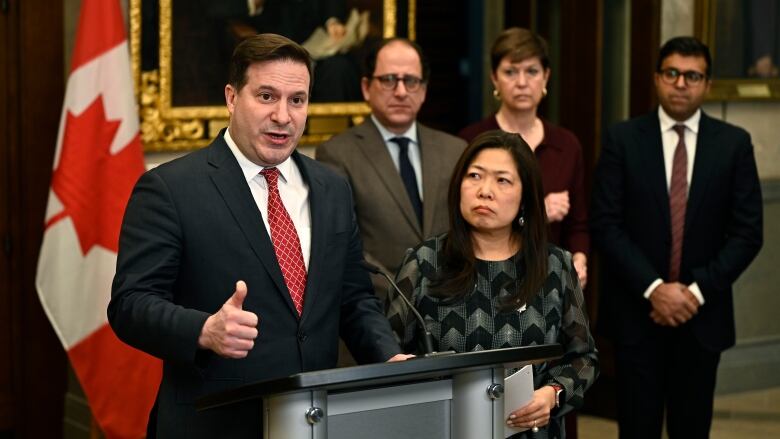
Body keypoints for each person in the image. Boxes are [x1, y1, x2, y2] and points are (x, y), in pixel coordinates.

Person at [108, 34, 411, 438]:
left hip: (315, 421)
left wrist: (388, 356)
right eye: (267, 96)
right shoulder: (170, 188)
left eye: (297, 100)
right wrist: (203, 329)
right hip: (215, 423)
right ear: (232, 98)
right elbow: (130, 304)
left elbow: (353, 297)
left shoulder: (331, 188)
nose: (283, 116)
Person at [591, 36, 763, 439]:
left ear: (707, 84)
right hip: (638, 315)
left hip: (702, 318)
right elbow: (606, 224)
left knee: (692, 430)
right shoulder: (623, 139)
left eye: (692, 75)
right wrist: (654, 289)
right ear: (656, 78)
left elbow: (747, 232)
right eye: (672, 73)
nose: (681, 83)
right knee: (637, 429)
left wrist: (693, 293)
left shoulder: (734, 144)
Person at [387, 130, 598, 439]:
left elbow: (583, 357)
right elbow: (388, 353)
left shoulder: (555, 266)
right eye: (474, 176)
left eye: (502, 180)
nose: (484, 190)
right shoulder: (423, 263)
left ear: (526, 196)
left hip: (530, 431)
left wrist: (552, 393)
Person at [317, 38, 466, 297]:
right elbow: (340, 243)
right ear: (366, 87)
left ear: (423, 90)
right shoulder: (337, 153)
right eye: (388, 80)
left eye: (411, 81)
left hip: (451, 307)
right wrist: (405, 294)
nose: (400, 91)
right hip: (378, 309)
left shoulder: (455, 151)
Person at [458, 27, 589, 290]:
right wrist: (539, 210)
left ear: (546, 77)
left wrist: (579, 259)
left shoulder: (566, 144)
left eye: (531, 71)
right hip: (485, 277)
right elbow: (465, 217)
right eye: (510, 72)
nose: (521, 82)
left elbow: (579, 223)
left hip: (552, 278)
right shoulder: (470, 140)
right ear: (494, 78)